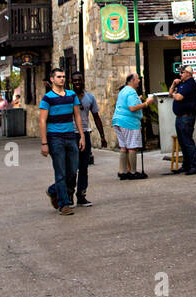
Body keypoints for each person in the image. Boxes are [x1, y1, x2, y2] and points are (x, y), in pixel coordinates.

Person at [39, 68, 84, 215]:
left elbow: (77, 116)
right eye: (59, 77)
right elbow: (42, 120)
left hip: (71, 136)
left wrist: (81, 136)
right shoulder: (47, 98)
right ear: (52, 79)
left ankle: (53, 190)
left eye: (64, 76)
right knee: (60, 172)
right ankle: (64, 205)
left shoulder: (71, 95)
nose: (62, 79)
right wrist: (44, 143)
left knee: (72, 171)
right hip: (55, 138)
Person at [72, 75, 107, 206]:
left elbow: (96, 116)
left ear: (83, 81)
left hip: (85, 134)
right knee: (71, 167)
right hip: (71, 134)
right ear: (71, 82)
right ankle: (69, 195)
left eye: (79, 80)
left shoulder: (89, 98)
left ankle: (81, 195)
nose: (77, 82)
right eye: (74, 80)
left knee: (83, 167)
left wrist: (102, 135)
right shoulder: (68, 97)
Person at [113, 73, 152, 181]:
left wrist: (138, 99)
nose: (139, 81)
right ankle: (133, 172)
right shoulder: (131, 91)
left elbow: (127, 103)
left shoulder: (124, 90)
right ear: (132, 80)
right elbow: (132, 107)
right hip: (128, 122)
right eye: (138, 79)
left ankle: (123, 171)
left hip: (118, 120)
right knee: (132, 147)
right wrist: (146, 103)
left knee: (123, 147)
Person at [170, 66, 196, 176]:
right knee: (182, 142)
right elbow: (170, 92)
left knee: (187, 141)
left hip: (186, 117)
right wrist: (174, 84)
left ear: (188, 73)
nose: (180, 74)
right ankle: (186, 165)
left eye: (182, 72)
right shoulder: (182, 83)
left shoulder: (190, 84)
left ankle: (195, 165)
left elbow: (178, 97)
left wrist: (174, 94)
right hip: (180, 116)